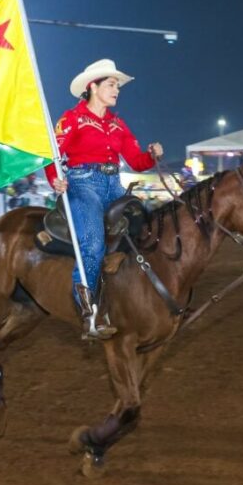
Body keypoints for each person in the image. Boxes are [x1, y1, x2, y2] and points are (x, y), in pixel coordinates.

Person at [45, 59, 164, 340]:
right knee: (93, 242)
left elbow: (136, 160)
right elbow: (51, 154)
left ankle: (140, 295)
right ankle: (89, 313)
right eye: (111, 84)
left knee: (148, 226)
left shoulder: (117, 124)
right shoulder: (71, 119)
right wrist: (54, 178)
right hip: (82, 184)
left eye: (117, 85)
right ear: (93, 87)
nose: (117, 90)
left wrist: (152, 155)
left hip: (114, 185)